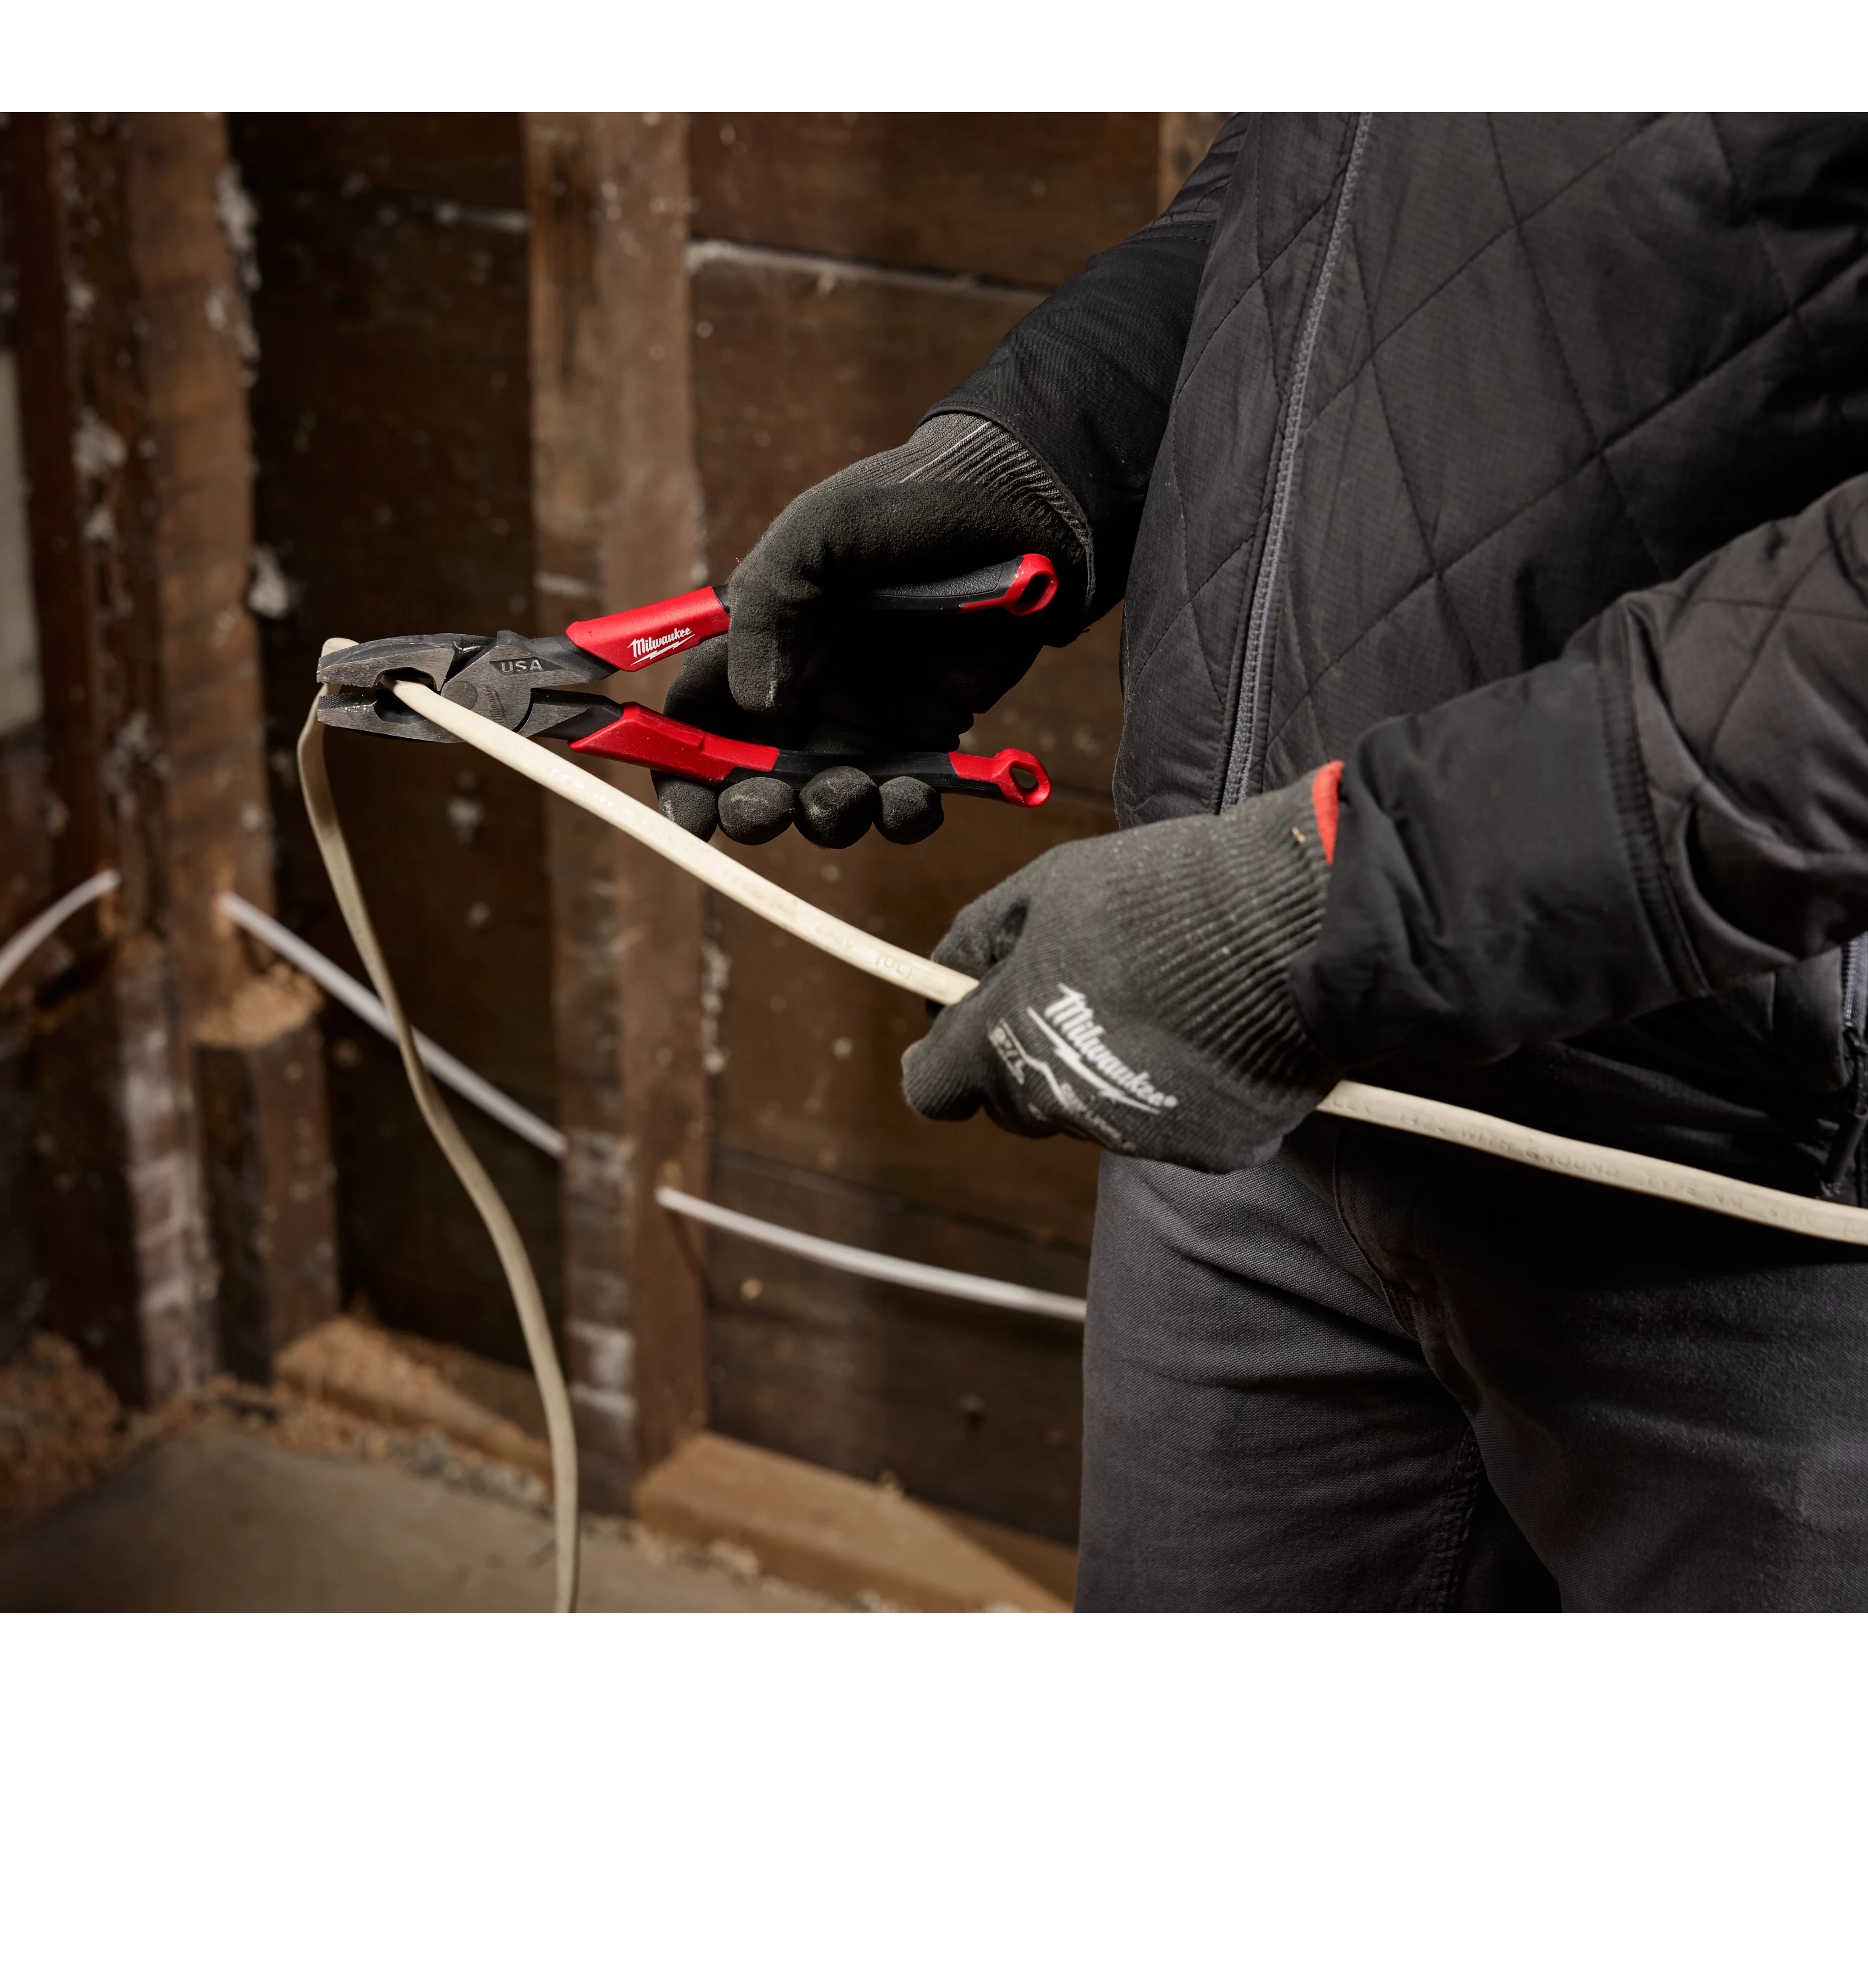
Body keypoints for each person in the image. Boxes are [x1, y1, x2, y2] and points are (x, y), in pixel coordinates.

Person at [655, 113, 1868, 1613]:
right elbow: (1317, 185)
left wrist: (1328, 910)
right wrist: (1050, 448)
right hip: (1250, 1115)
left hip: (1751, 1204)